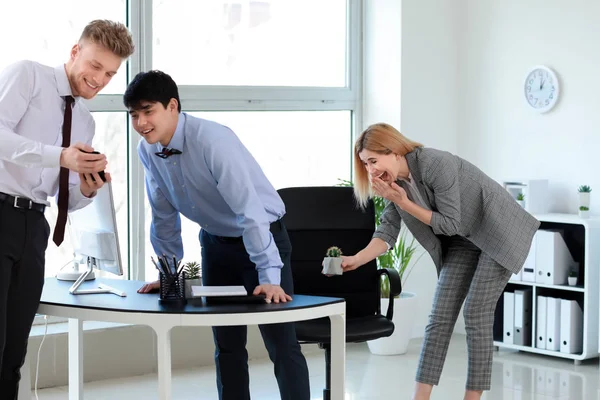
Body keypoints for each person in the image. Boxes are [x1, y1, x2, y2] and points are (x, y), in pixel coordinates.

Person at [127, 70, 310, 400]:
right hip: (215, 245)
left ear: (172, 106)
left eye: (148, 111)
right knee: (226, 346)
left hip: (262, 239)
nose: (141, 123)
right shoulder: (148, 150)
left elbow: (249, 211)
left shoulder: (212, 140)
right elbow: (162, 214)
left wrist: (270, 275)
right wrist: (168, 273)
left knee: (281, 343)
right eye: (134, 115)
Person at [341, 123, 540, 400]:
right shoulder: (393, 184)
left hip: (498, 231)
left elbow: (449, 222)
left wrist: (404, 202)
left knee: (475, 313)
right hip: (463, 238)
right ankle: (420, 397)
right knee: (439, 316)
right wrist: (357, 259)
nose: (371, 170)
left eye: (373, 161)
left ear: (394, 151)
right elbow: (387, 231)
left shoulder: (434, 163)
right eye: (365, 164)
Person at [0, 20, 134, 398]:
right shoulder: (29, 76)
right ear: (75, 52)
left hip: (34, 226)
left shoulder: (85, 121)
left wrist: (88, 191)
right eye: (95, 66)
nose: (100, 80)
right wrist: (60, 156)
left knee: (13, 352)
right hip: (0, 211)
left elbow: (67, 198)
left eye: (109, 73)